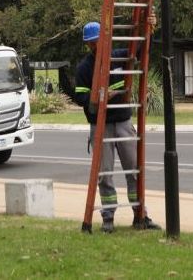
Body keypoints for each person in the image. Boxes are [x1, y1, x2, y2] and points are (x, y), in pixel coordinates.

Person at [73, 19, 161, 233]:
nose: (95, 46)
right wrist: (98, 98)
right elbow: (80, 97)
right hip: (100, 125)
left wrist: (148, 29)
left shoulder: (120, 57)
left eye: (98, 41)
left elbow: (140, 51)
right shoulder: (84, 67)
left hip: (123, 122)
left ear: (106, 39)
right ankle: (108, 219)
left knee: (134, 170)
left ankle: (141, 215)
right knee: (105, 174)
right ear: (88, 45)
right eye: (91, 43)